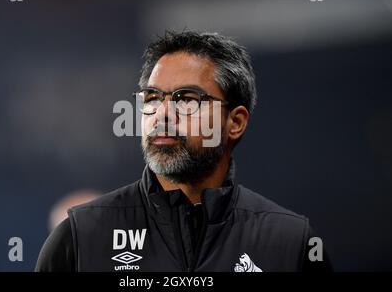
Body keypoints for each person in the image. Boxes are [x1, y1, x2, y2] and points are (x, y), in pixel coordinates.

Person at [35, 31, 332, 272]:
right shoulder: (79, 239)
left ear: (236, 122)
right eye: (152, 98)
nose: (162, 114)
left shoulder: (290, 244)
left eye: (187, 99)